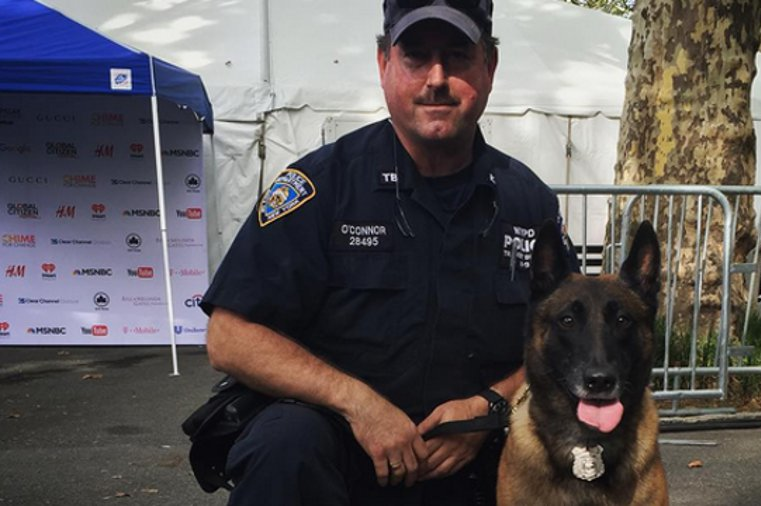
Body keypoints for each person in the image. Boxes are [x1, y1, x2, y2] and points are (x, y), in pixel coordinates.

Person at [199, 1, 576, 504]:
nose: (436, 78)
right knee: (283, 442)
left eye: (458, 56)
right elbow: (230, 337)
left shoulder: (528, 203)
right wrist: (359, 404)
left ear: (490, 67)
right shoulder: (321, 187)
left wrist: (493, 406)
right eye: (416, 57)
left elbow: (570, 341)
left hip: (480, 458)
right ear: (383, 65)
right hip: (343, 454)